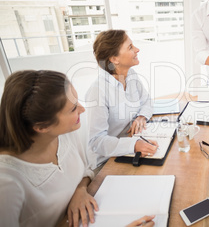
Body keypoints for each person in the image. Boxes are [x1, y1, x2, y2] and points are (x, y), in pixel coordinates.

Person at [0, 70, 155, 227]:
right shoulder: (7, 183)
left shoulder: (64, 135)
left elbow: (84, 171)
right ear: (42, 126)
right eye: (73, 109)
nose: (82, 109)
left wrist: (80, 190)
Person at [86, 29, 157, 168]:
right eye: (130, 47)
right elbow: (96, 141)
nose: (137, 49)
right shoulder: (98, 91)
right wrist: (134, 145)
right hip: (108, 161)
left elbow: (147, 101)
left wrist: (141, 116)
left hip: (132, 148)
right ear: (114, 59)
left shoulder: (131, 75)